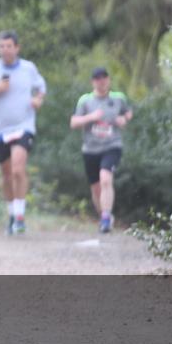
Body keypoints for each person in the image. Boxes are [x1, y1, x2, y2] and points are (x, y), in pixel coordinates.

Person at [0, 31, 47, 235]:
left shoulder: (28, 68)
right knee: (6, 175)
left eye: (9, 46)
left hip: (24, 126)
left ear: (17, 48)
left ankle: (21, 216)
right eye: (1, 46)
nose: (5, 50)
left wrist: (38, 100)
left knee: (17, 169)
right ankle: (12, 213)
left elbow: (41, 87)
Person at [70, 67, 133, 234]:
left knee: (106, 178)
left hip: (112, 146)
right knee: (96, 188)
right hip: (90, 149)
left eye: (104, 78)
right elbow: (74, 123)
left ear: (109, 80)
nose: (101, 81)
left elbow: (128, 113)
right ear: (93, 82)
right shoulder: (85, 100)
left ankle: (105, 217)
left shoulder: (118, 98)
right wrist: (91, 117)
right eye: (98, 79)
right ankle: (104, 217)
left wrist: (123, 119)